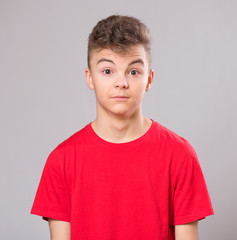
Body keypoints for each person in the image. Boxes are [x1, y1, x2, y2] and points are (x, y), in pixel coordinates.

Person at [30, 15, 214, 240]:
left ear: (149, 79)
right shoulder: (61, 161)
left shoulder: (180, 155)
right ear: (90, 78)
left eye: (133, 71)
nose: (121, 83)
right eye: (108, 71)